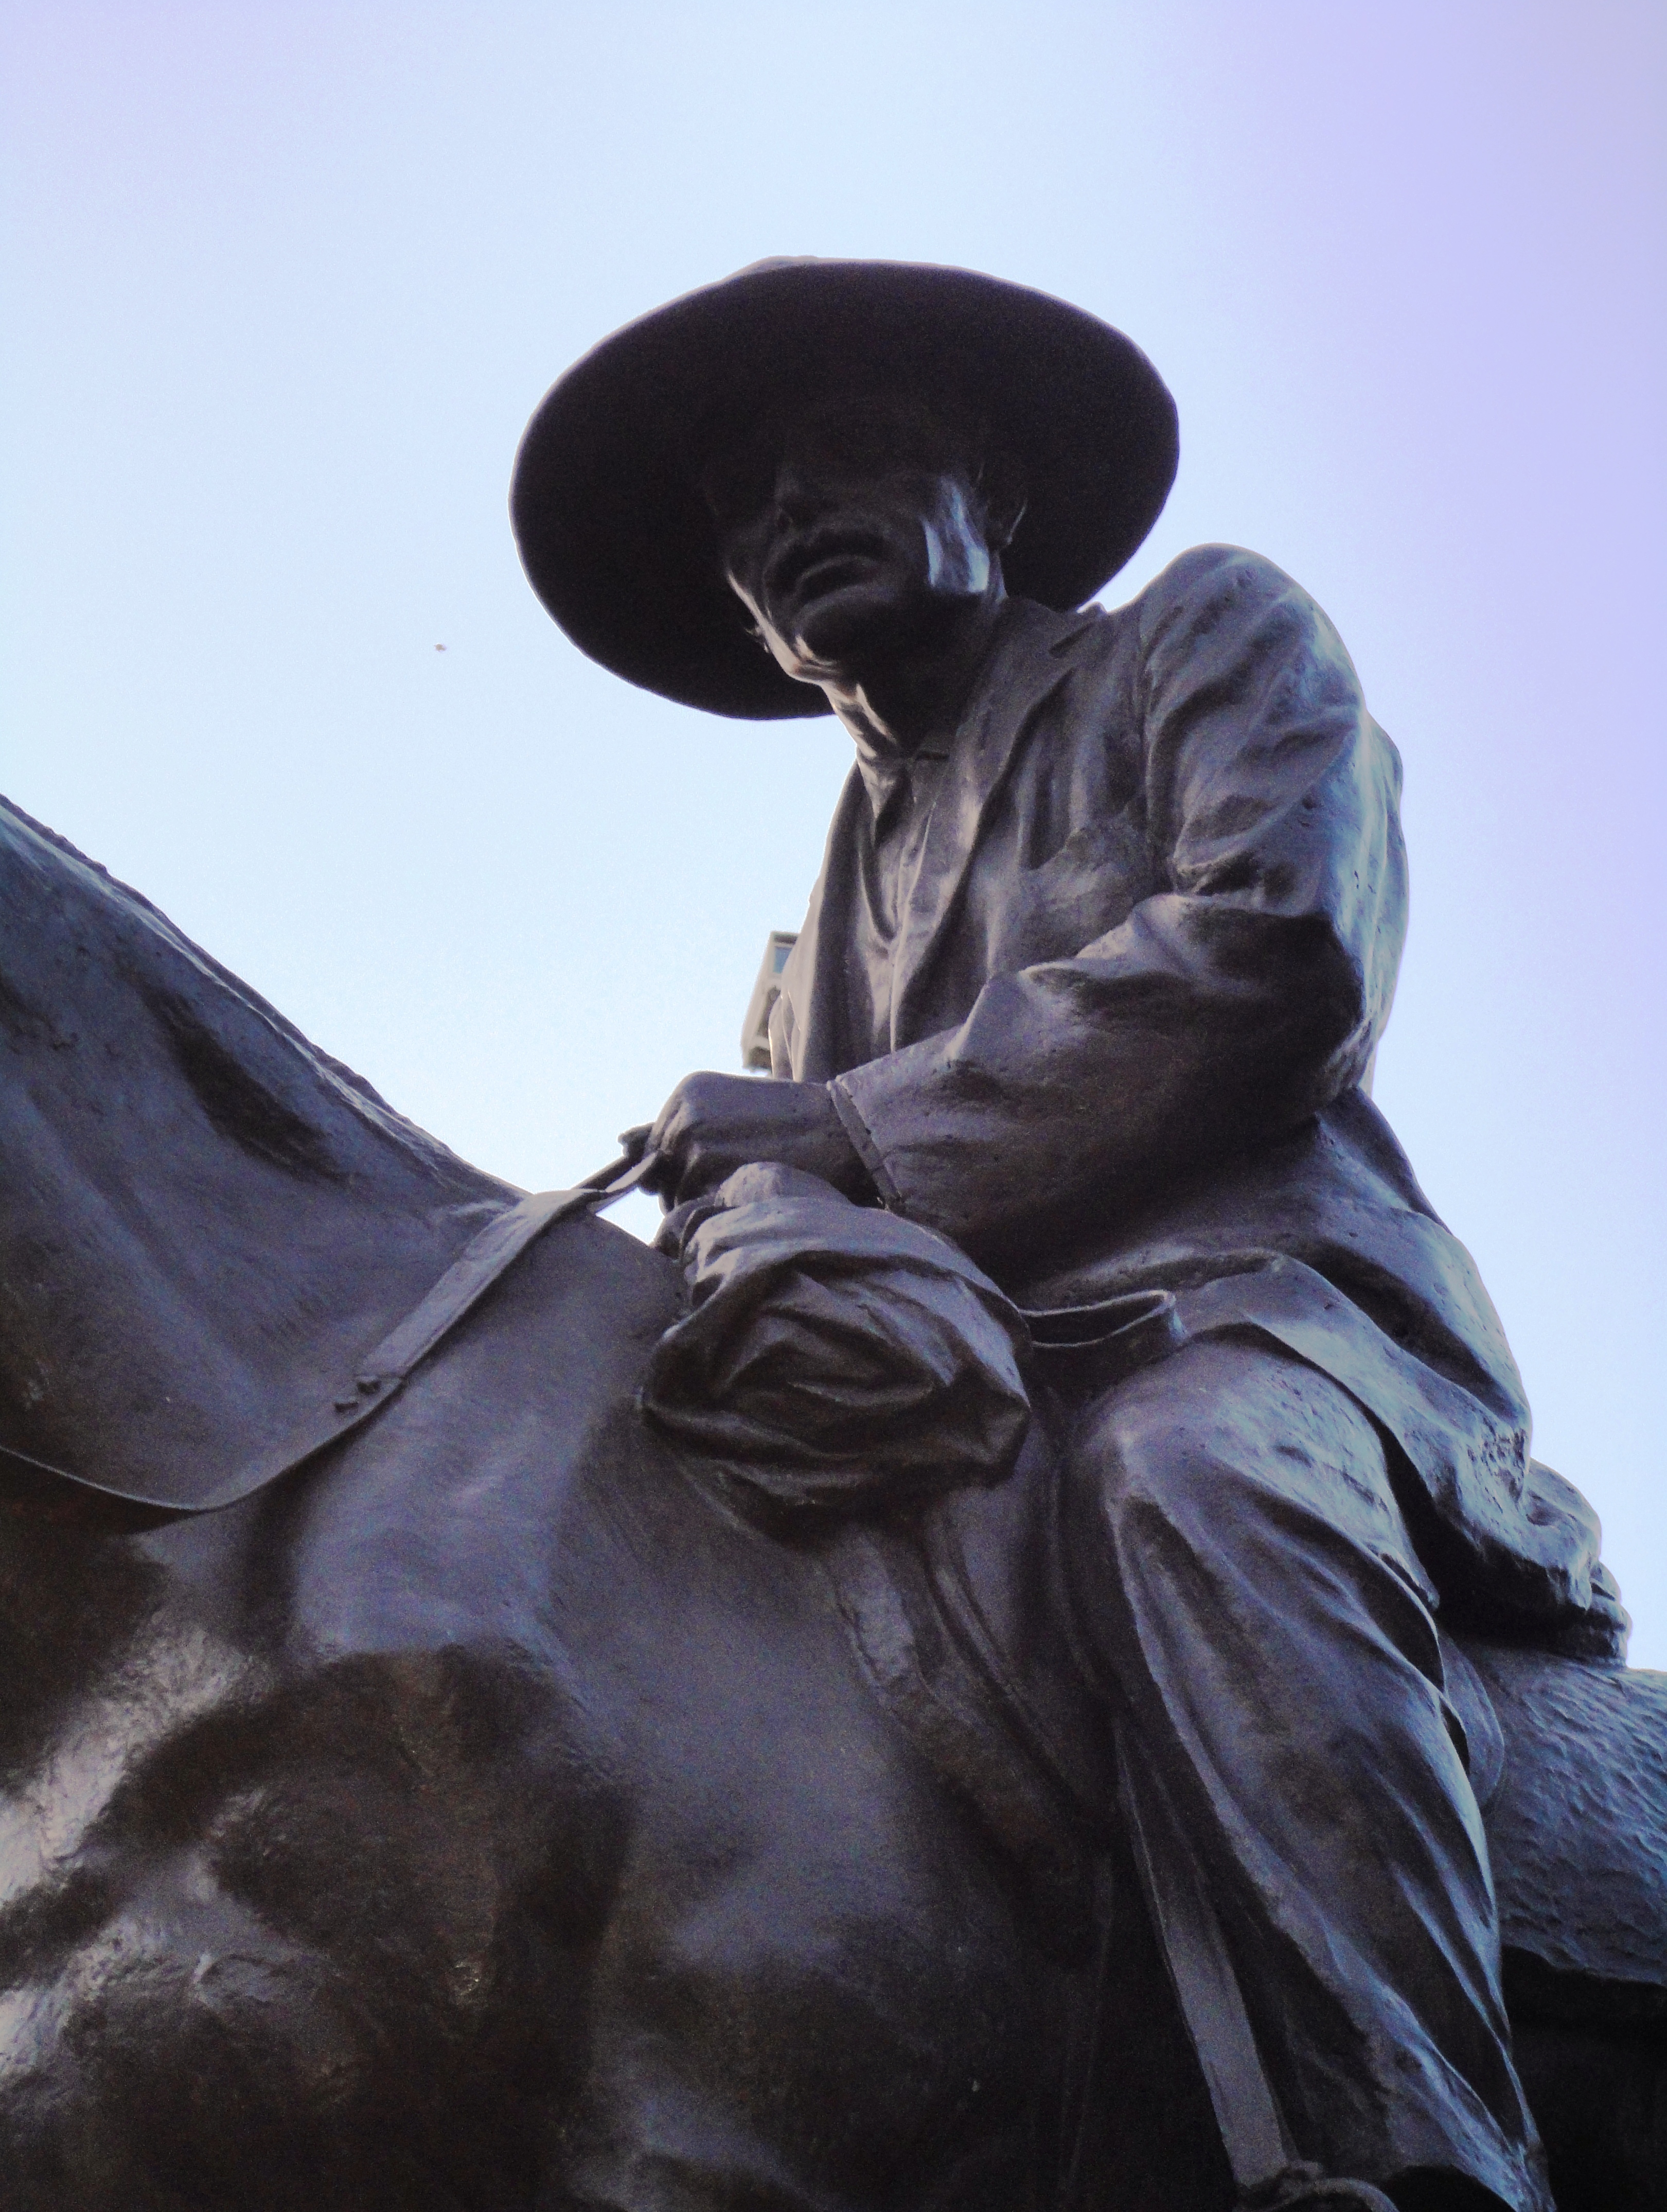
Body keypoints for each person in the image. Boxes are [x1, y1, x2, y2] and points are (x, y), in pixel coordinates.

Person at [510, 259, 1610, 2212]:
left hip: (1264, 1343)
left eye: (851, 454)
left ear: (996, 493)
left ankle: (1424, 2147)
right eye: (744, 503)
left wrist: (847, 1130)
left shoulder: (1204, 637)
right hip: (947, 1408)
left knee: (1190, 1478)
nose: (791, 514)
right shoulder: (801, 958)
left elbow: (1281, 952)